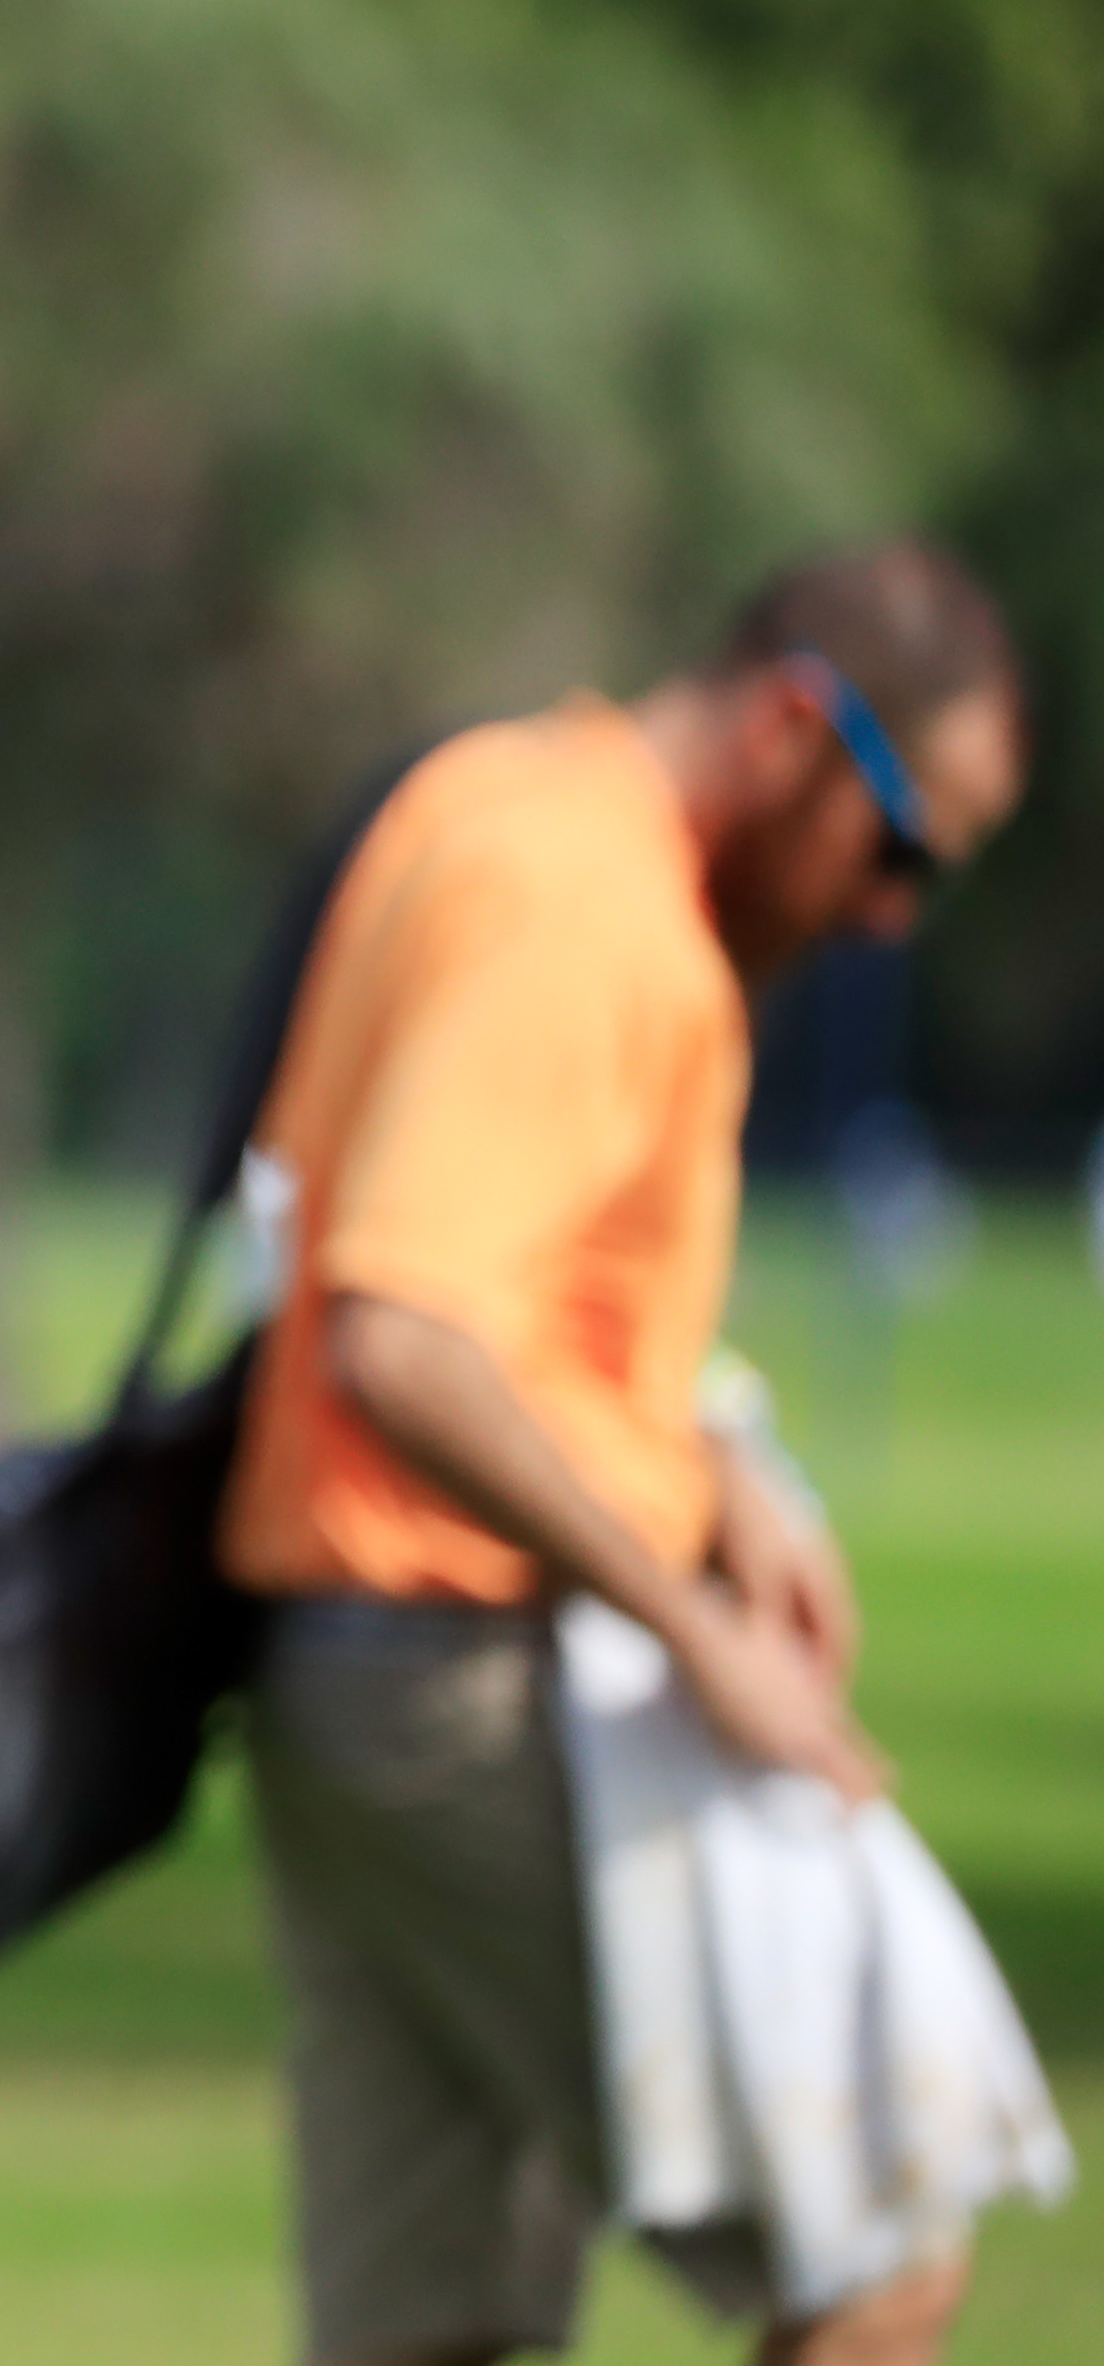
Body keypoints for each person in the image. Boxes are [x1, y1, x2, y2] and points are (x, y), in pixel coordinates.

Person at [220, 542, 1027, 2366]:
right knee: (879, 2256)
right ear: (797, 725)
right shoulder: (580, 900)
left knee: (431, 2335)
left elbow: (516, 1277)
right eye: (899, 848)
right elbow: (403, 1331)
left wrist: (715, 1438)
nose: (890, 912)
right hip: (464, 1682)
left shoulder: (496, 797)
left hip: (343, 1683)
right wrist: (692, 1622)